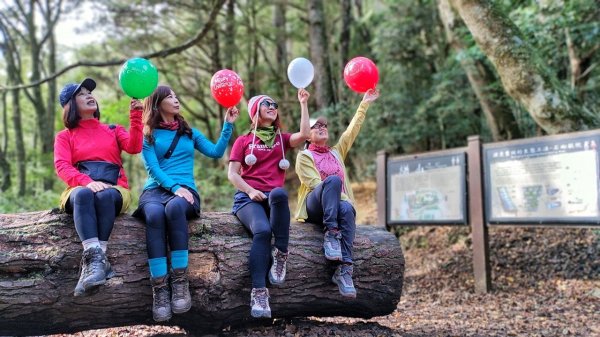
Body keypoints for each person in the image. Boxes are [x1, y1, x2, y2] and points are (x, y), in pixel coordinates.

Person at [134, 85, 239, 322]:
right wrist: (174, 188)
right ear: (157, 103)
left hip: (185, 192)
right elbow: (153, 168)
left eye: (176, 95)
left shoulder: (189, 132)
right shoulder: (148, 133)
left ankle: (180, 282)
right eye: (170, 96)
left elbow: (215, 152)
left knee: (173, 208)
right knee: (153, 215)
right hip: (155, 190)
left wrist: (227, 125)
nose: (176, 99)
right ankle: (160, 289)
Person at [54, 78, 143, 297]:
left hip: (115, 190)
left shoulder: (113, 130)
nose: (89, 95)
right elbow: (62, 166)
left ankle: (96, 264)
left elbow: (134, 146)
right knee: (85, 194)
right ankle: (95, 259)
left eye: (89, 92)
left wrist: (136, 115)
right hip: (79, 190)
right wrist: (87, 182)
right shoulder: (65, 137)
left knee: (104, 195)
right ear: (70, 106)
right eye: (81, 94)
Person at [227, 89, 310, 318]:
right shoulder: (243, 141)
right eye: (267, 104)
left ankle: (281, 254)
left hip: (273, 198)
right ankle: (259, 293)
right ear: (255, 112)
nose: (273, 106)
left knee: (280, 194)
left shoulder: (281, 140)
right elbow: (233, 175)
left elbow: (304, 133)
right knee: (262, 231)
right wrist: (251, 190)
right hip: (248, 198)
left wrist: (303, 103)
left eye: (274, 104)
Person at [294, 88, 380, 298]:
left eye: (324, 125)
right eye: (316, 126)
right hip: (316, 207)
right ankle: (331, 234)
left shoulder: (336, 152)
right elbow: (315, 185)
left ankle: (345, 269)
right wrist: (345, 199)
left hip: (337, 207)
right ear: (308, 135)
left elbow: (351, 131)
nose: (322, 128)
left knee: (346, 208)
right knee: (332, 183)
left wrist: (364, 104)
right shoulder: (304, 156)